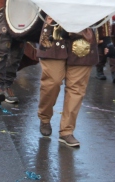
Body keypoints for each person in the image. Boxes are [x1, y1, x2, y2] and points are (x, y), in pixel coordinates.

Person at [37, 18, 98, 147]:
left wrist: (106, 37)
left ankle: (67, 131)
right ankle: (45, 117)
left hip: (83, 37)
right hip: (54, 34)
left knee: (77, 88)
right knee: (52, 82)